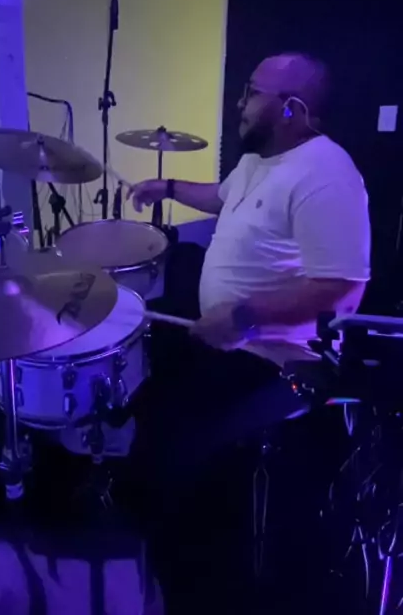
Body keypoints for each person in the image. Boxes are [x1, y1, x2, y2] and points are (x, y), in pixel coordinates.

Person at [127, 53, 371, 613]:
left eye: (253, 93)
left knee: (185, 465)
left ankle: (204, 583)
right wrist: (167, 186)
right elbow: (224, 196)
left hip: (272, 359)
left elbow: (343, 289)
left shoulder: (328, 175)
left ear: (292, 109)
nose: (239, 102)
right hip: (228, 344)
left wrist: (245, 316)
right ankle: (170, 561)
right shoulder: (259, 160)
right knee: (151, 419)